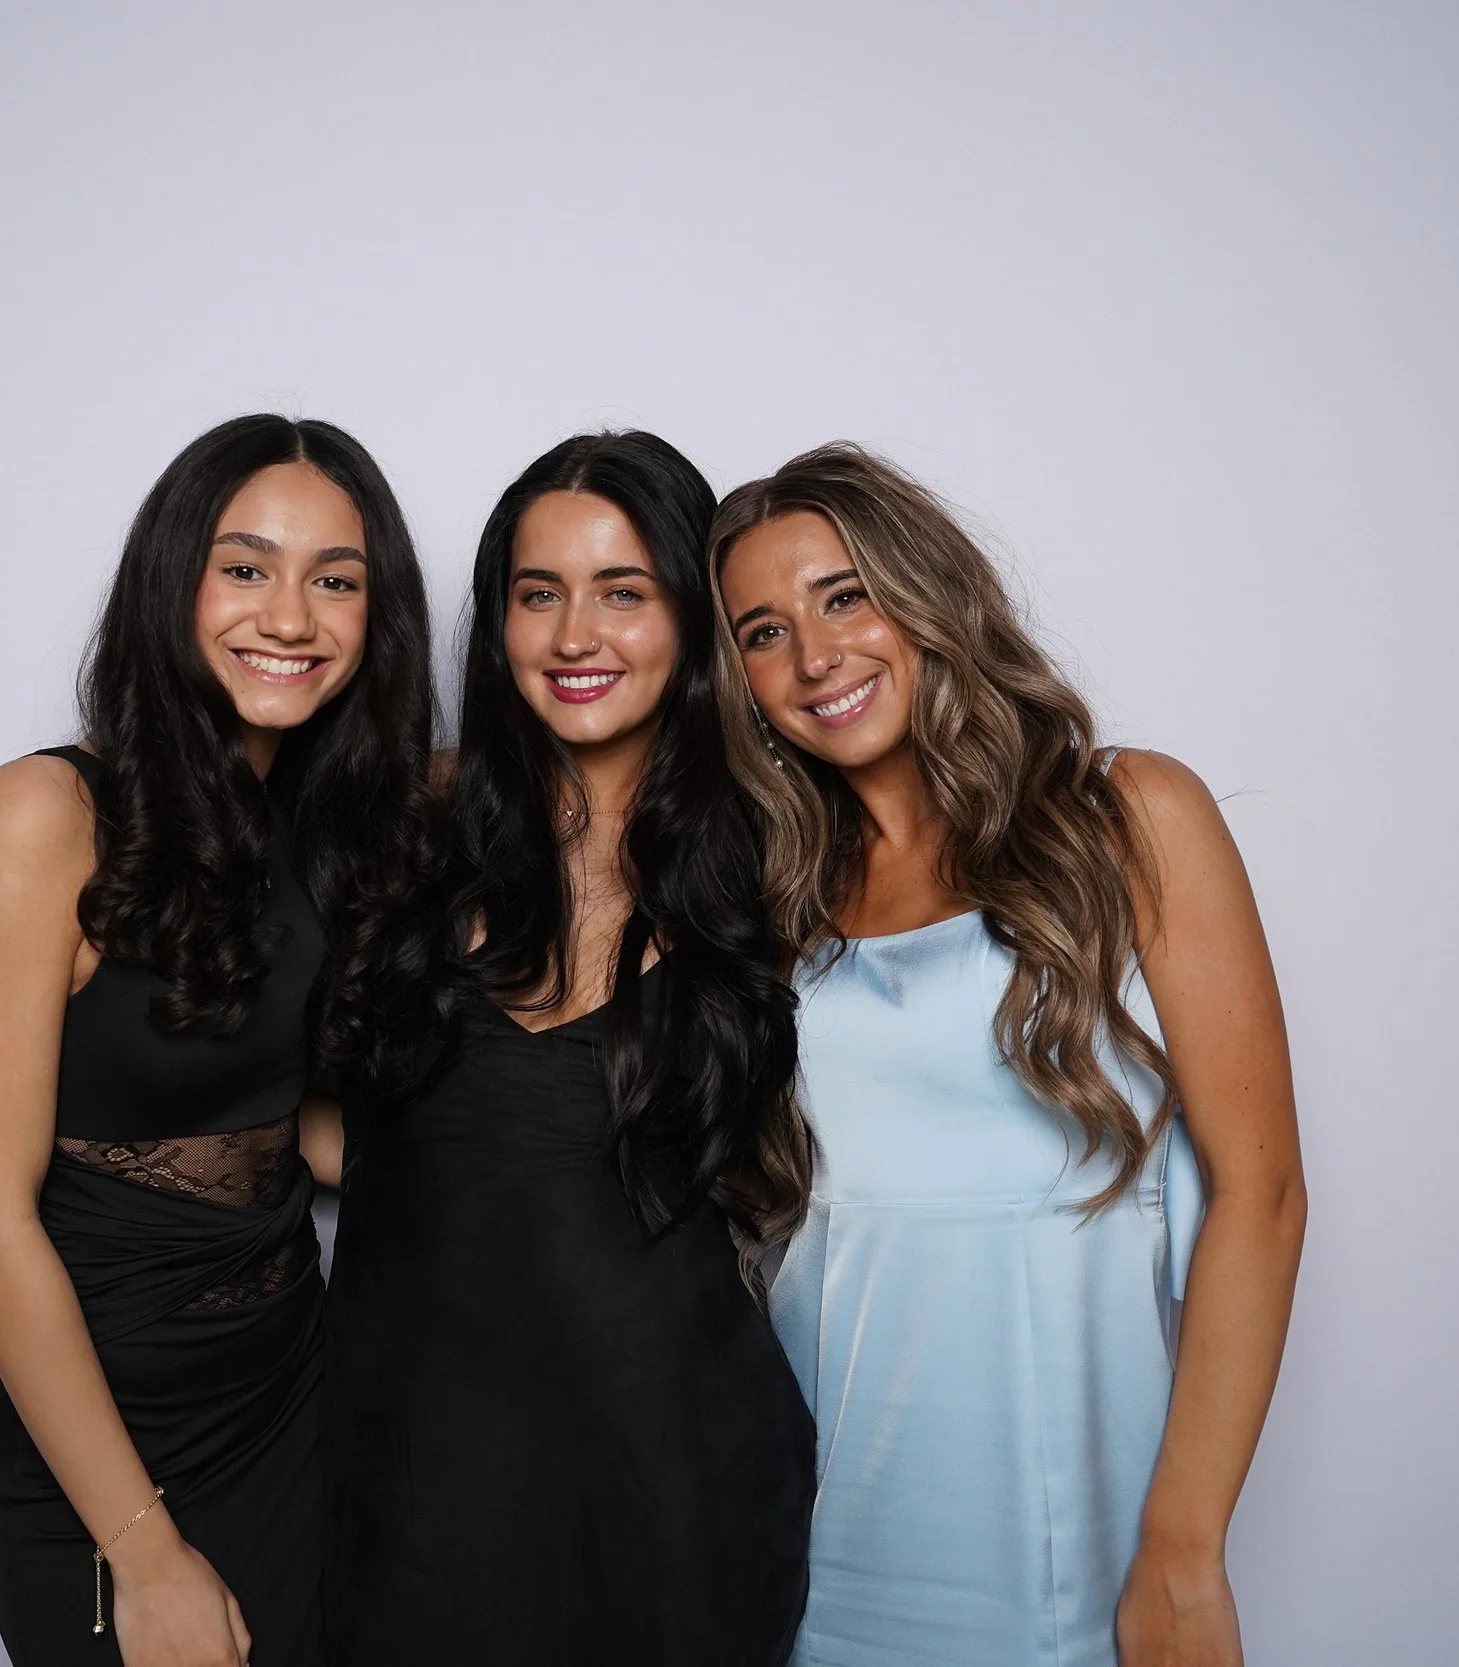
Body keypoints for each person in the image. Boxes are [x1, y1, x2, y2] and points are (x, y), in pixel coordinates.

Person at [710, 443, 1308, 1667]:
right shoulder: (769, 896)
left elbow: (1264, 1192)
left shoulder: (1126, 817)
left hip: (1066, 1520)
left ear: (927, 593)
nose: (815, 656)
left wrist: (1185, 1548)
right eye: (761, 632)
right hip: (806, 1522)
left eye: (844, 595)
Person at [0, 414, 435, 1666]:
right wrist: (145, 1552)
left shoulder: (320, 820)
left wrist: (504, 1187)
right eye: (245, 566)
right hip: (107, 1445)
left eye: (336, 580)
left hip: (290, 1401)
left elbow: (277, 1118)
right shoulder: (41, 814)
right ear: (173, 582)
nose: (291, 616)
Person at [323, 431, 817, 1666]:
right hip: (405, 1505)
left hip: (680, 1507)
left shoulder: (785, 872)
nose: (573, 634)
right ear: (495, 625)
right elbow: (313, 1114)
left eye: (623, 591)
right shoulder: (404, 840)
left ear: (691, 622)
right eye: (537, 594)